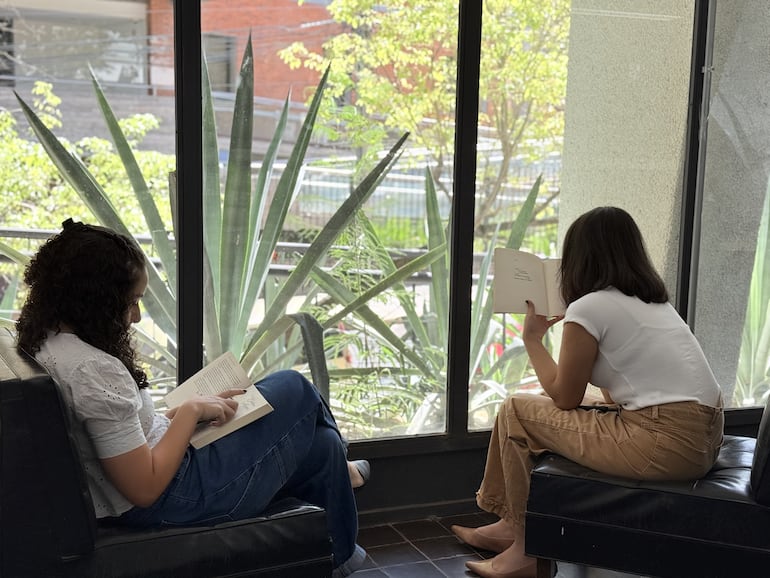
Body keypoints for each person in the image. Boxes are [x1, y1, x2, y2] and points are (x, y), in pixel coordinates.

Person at [15, 219, 369, 577]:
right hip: (175, 497)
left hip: (165, 474)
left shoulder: (47, 341)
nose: (136, 317)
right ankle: (347, 466)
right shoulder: (91, 369)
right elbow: (144, 489)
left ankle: (339, 558)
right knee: (294, 386)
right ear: (96, 300)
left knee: (320, 446)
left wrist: (182, 415)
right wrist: (191, 411)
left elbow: (120, 437)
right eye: (131, 303)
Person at [451, 206, 724, 578]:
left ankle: (528, 551)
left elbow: (565, 397)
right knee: (527, 406)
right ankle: (510, 525)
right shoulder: (652, 303)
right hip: (701, 437)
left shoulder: (589, 307)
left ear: (579, 257)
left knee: (517, 408)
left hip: (664, 442)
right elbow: (614, 394)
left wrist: (532, 338)